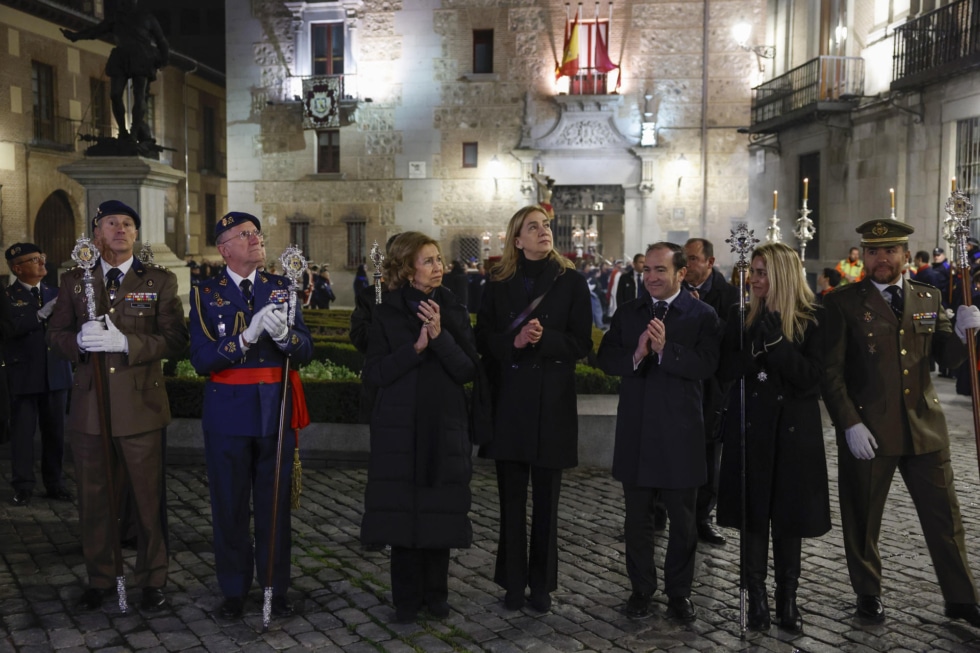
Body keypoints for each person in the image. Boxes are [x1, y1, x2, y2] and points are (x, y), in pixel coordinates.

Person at [822, 218, 980, 627]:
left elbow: (946, 357)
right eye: (873, 251)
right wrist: (849, 424)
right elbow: (831, 372)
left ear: (905, 256)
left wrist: (964, 336)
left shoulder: (927, 298)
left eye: (890, 250)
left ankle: (961, 599)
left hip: (924, 427)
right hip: (869, 432)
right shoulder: (842, 303)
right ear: (864, 256)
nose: (880, 258)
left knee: (946, 518)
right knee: (862, 518)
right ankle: (868, 591)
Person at [47, 199, 188, 612]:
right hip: (91, 408)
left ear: (136, 234)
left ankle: (151, 579)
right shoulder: (76, 280)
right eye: (112, 223)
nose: (121, 229)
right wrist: (78, 342)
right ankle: (101, 577)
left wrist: (127, 343)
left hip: (141, 406)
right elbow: (55, 335)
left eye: (128, 223)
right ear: (96, 232)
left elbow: (175, 339)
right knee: (95, 500)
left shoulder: (158, 281)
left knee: (148, 501)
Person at [189, 212, 313, 620]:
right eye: (244, 235)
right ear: (225, 248)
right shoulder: (206, 292)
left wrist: (285, 337)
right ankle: (234, 590)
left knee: (274, 505)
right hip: (228, 412)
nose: (256, 239)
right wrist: (244, 338)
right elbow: (202, 360)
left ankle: (275, 588)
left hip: (274, 410)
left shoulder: (282, 287)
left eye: (257, 233)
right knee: (229, 506)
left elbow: (305, 350)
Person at [360, 232, 483, 623]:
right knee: (401, 510)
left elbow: (467, 369)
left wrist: (440, 337)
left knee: (439, 508)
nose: (438, 266)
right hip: (398, 425)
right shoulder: (387, 312)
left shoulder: (452, 305)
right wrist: (414, 349)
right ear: (407, 267)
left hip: (443, 424)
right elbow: (376, 372)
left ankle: (437, 595)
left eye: (438, 259)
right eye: (428, 260)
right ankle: (406, 599)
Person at [596, 242, 722, 623]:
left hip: (681, 434)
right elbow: (604, 359)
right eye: (647, 270)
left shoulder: (703, 315)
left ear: (681, 273)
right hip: (636, 432)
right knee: (637, 520)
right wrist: (636, 354)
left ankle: (679, 593)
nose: (650, 277)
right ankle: (641, 589)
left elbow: (708, 365)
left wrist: (668, 351)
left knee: (683, 523)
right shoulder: (631, 312)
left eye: (660, 270)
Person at [476, 205, 592, 612]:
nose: (544, 232)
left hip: (552, 406)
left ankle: (541, 585)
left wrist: (544, 340)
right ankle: (511, 582)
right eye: (533, 227)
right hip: (509, 405)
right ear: (517, 239)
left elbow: (583, 344)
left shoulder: (572, 282)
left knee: (547, 502)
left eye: (545, 226)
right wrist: (516, 343)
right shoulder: (497, 283)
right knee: (510, 502)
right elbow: (483, 341)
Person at [715, 242, 830, 632]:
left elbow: (813, 378)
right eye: (753, 272)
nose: (754, 279)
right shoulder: (740, 316)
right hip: (751, 429)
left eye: (762, 272)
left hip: (794, 433)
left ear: (781, 274)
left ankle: (788, 600)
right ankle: (757, 599)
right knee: (753, 515)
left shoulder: (813, 318)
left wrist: (778, 346)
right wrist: (752, 351)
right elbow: (725, 368)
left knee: (788, 517)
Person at [4, 243, 73, 506]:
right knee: (22, 435)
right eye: (33, 260)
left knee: (55, 434)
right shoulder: (7, 297)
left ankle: (55, 483)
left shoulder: (55, 292)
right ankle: (23, 485)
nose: (41, 262)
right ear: (17, 268)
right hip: (24, 374)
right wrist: (41, 313)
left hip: (55, 372)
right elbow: (11, 328)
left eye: (41, 257)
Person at [683, 238, 739, 546]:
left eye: (693, 259)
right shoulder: (672, 289)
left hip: (713, 387)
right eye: (685, 259)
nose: (688, 265)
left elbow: (731, 341)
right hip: (680, 384)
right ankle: (660, 509)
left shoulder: (729, 295)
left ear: (709, 261)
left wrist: (701, 311)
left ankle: (702, 516)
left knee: (708, 454)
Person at [60, 0, 169, 143]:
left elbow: (162, 41)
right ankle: (123, 131)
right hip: (121, 56)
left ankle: (134, 133)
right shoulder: (116, 17)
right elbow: (96, 31)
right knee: (115, 94)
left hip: (141, 56)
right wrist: (76, 36)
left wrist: (164, 60)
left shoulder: (147, 17)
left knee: (139, 95)